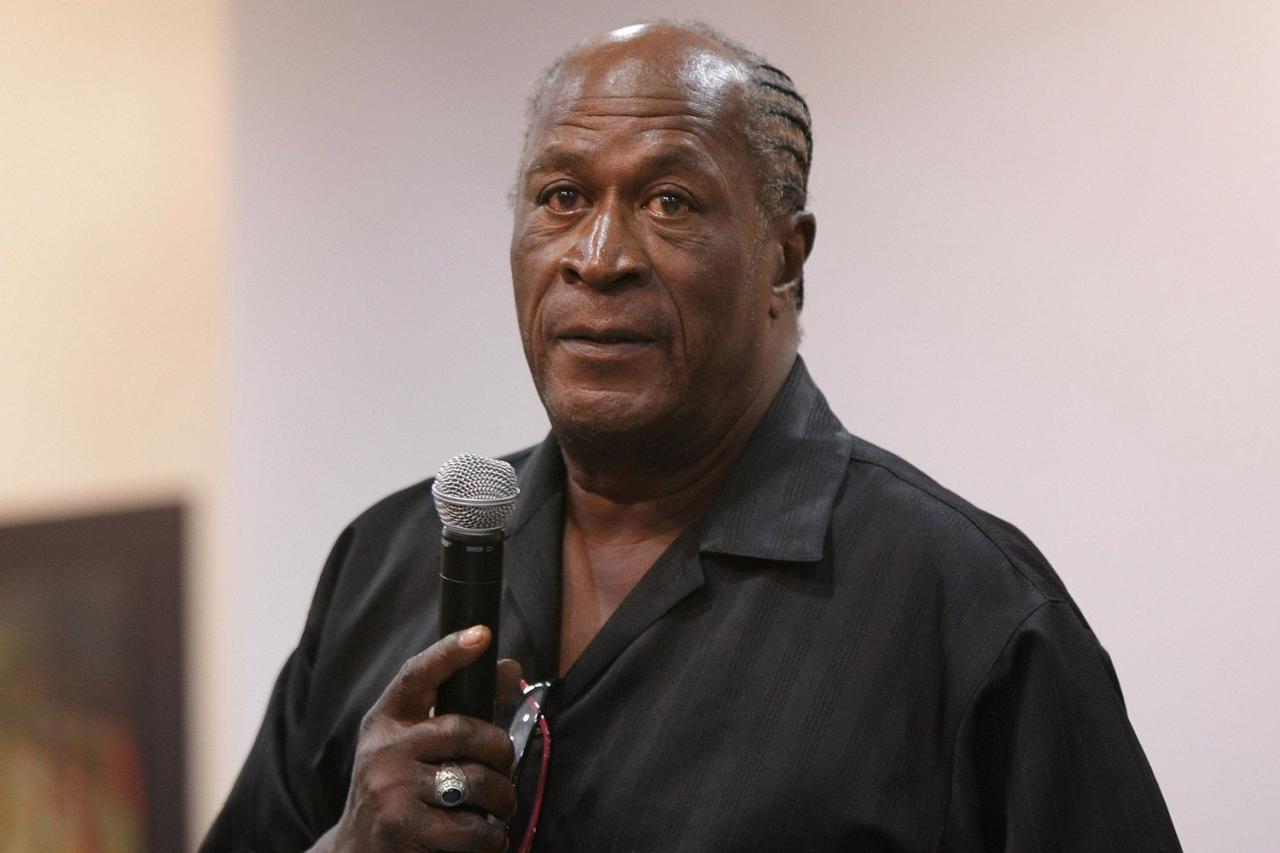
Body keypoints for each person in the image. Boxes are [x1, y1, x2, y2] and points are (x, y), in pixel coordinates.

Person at [202, 21, 1182, 853]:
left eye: (668, 202)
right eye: (562, 198)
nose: (598, 257)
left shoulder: (965, 609)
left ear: (782, 260)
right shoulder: (387, 560)